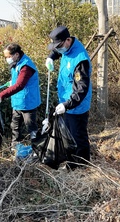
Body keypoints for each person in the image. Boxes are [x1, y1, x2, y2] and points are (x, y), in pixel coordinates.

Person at [44, 26, 92, 169]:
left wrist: (67, 104)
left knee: (78, 136)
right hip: (66, 100)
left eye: (58, 46)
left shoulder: (80, 60)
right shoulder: (66, 47)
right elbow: (57, 50)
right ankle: (72, 161)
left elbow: (81, 89)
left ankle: (81, 166)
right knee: (68, 134)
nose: (58, 49)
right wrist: (51, 57)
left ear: (68, 40)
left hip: (76, 105)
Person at [0, 43, 41, 148]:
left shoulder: (26, 66)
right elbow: (17, 79)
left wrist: (1, 95)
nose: (7, 59)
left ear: (16, 54)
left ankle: (38, 148)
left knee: (31, 127)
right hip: (17, 101)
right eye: (6, 57)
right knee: (15, 126)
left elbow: (20, 85)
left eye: (9, 56)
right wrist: (11, 81)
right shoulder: (16, 62)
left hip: (28, 102)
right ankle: (15, 147)